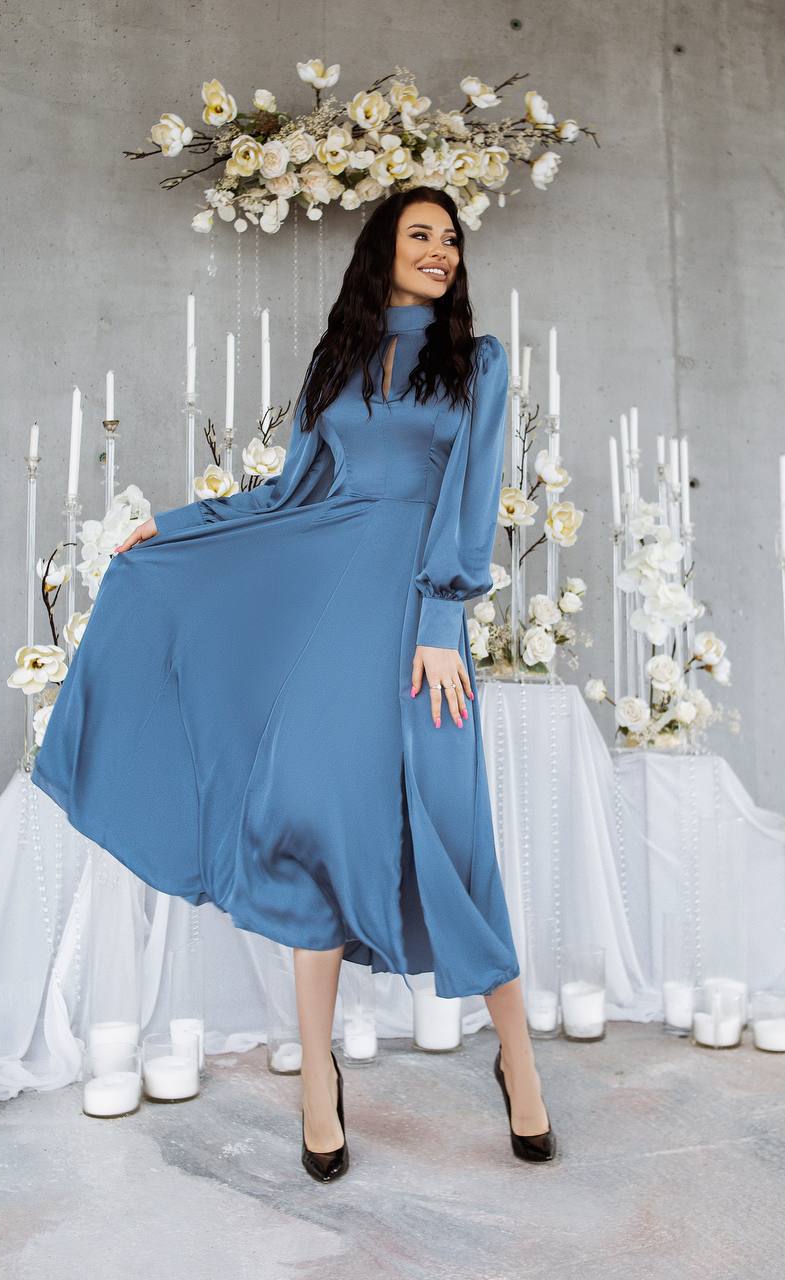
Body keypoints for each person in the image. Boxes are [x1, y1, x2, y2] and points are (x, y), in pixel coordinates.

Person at [31, 185, 556, 1181]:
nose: (442, 251)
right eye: (421, 234)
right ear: (381, 248)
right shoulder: (338, 361)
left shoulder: (476, 364)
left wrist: (444, 617)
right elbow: (288, 493)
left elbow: (472, 496)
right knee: (309, 822)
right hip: (329, 615)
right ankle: (317, 1076)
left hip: (417, 625)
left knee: (451, 828)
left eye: (452, 239)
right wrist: (173, 530)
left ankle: (518, 1059)